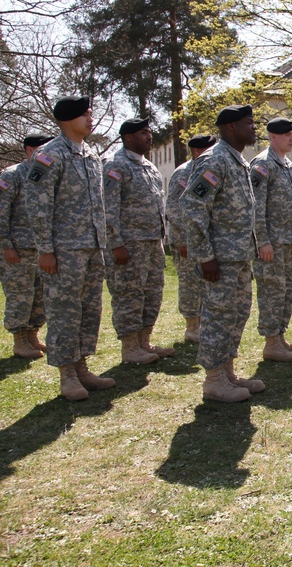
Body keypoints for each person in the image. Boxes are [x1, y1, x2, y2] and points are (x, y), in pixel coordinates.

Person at [25, 96, 115, 401]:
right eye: (85, 115)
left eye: (90, 114)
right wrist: (45, 249)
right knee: (64, 311)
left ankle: (82, 367)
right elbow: (38, 206)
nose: (91, 120)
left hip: (92, 247)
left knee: (89, 309)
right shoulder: (49, 155)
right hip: (64, 250)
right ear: (67, 120)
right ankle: (66, 375)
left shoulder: (90, 155)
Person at [179, 104, 264, 402]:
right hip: (220, 258)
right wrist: (205, 256)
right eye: (248, 123)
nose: (254, 128)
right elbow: (192, 207)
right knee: (217, 317)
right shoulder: (213, 161)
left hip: (239, 256)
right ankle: (214, 380)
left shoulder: (236, 160)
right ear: (230, 127)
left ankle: (227, 372)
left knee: (236, 315)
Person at [103, 116, 171, 365]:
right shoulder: (115, 165)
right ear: (128, 137)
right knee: (128, 294)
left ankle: (144, 341)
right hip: (129, 245)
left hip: (152, 243)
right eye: (143, 133)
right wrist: (116, 243)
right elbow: (108, 208)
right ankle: (130, 347)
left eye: (149, 132)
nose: (149, 136)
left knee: (152, 294)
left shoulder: (150, 167)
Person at [250, 117, 292, 362]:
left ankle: (281, 338)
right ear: (272, 137)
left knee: (287, 291)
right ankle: (271, 342)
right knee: (272, 292)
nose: (291, 138)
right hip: (271, 243)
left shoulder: (289, 166)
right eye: (286, 134)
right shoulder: (263, 164)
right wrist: (262, 241)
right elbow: (255, 206)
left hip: (287, 242)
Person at [0, 133, 53, 359]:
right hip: (18, 249)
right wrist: (6, 246)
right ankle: (19, 340)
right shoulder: (11, 175)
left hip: (41, 249)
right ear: (30, 150)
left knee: (39, 295)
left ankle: (32, 336)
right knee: (20, 295)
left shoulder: (43, 175)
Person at [165, 134, 216, 344]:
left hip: (204, 240)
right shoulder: (183, 174)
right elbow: (174, 210)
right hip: (187, 241)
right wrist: (182, 241)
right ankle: (192, 326)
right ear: (197, 151)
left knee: (205, 283)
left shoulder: (206, 170)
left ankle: (205, 323)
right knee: (189, 283)